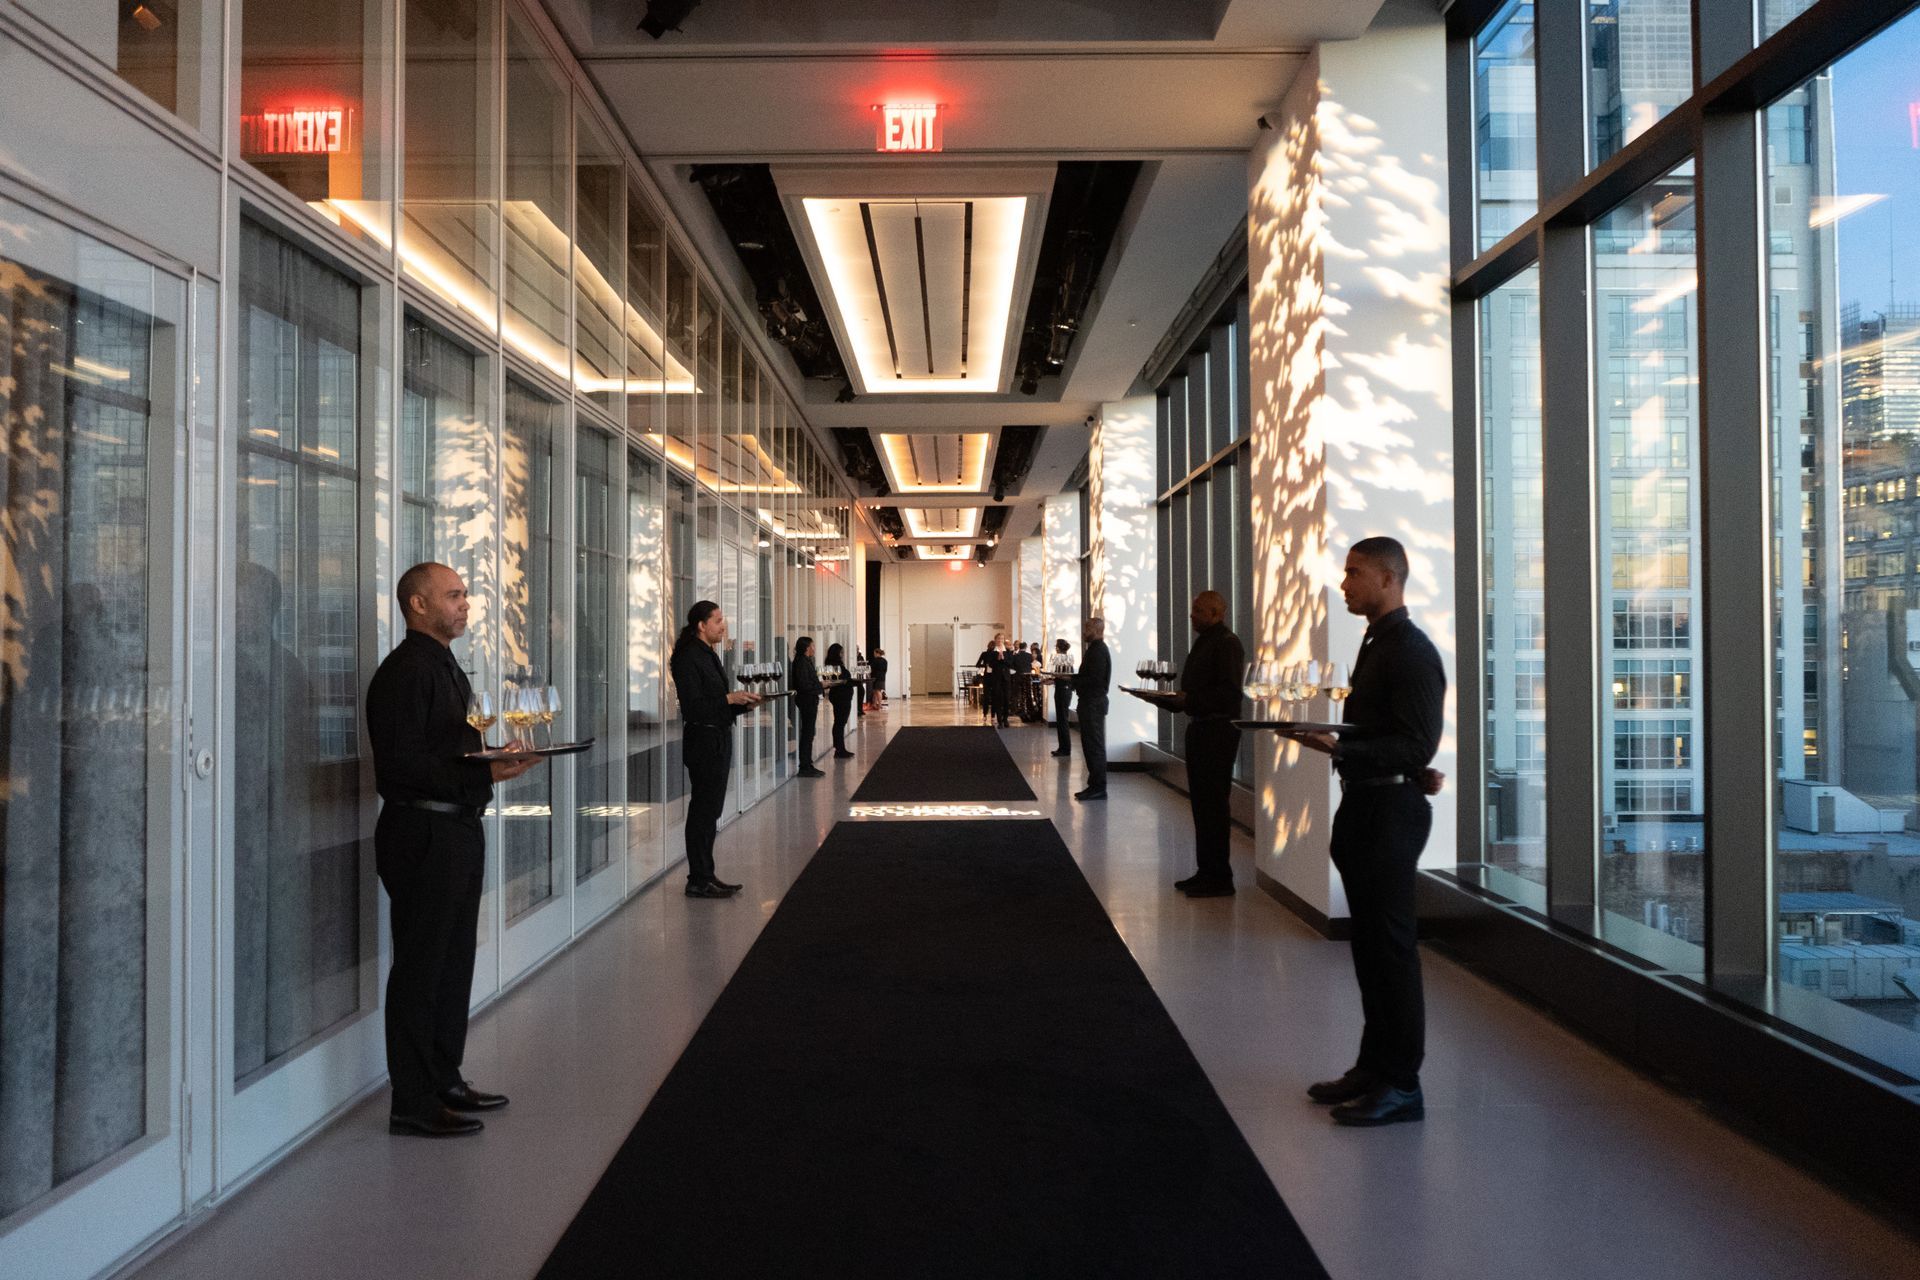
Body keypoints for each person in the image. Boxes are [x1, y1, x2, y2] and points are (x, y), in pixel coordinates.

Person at [366, 561, 540, 1138]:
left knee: (452, 959)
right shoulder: (404, 673)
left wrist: (494, 763)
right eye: (454, 595)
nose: (465, 605)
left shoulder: (445, 668)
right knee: (421, 967)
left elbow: (449, 753)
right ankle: (412, 1101)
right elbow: (402, 767)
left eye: (465, 595)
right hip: (423, 834)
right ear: (418, 605)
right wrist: (484, 771)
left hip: (455, 828)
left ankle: (444, 1077)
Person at [1284, 537, 1446, 1128]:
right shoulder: (1378, 643)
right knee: (1371, 950)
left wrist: (1338, 744)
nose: (1345, 583)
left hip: (1389, 814)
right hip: (1368, 809)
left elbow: (1415, 744)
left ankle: (1402, 1083)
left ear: (1387, 577)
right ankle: (1375, 1066)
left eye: (1354, 573)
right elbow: (1395, 736)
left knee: (1392, 952)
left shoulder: (1409, 650)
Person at [669, 600, 761, 898]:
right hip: (703, 743)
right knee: (703, 811)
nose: (724, 626)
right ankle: (698, 879)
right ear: (701, 625)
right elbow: (694, 708)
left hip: (718, 738)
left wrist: (741, 703)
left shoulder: (709, 654)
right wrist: (729, 700)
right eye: (719, 620)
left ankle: (706, 874)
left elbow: (718, 702)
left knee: (711, 811)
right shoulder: (686, 657)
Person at [1158, 591, 1245, 897]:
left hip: (1217, 733)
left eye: (1198, 610)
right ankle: (1206, 870)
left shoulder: (1227, 644)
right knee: (1202, 806)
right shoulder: (1206, 642)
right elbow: (1194, 692)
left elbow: (1231, 694)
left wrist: (1189, 700)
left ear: (1216, 613)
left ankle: (1220, 876)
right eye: (1193, 609)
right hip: (1201, 729)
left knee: (1214, 805)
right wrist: (1171, 701)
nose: (1191, 615)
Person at [1073, 620, 1112, 800]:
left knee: (1094, 746)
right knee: (1090, 745)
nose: (1084, 632)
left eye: (1087, 629)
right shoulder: (1095, 649)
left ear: (1097, 630)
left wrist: (1072, 681)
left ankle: (1098, 787)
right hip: (1090, 702)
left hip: (1093, 703)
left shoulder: (1098, 651)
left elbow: (1094, 680)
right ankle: (1094, 785)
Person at [791, 636, 824, 777]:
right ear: (806, 648)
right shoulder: (801, 663)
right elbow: (804, 685)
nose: (814, 648)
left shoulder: (805, 661)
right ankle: (805, 766)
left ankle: (807, 764)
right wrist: (820, 687)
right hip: (807, 701)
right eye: (812, 646)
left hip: (809, 700)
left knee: (809, 733)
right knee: (807, 733)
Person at [824, 641, 857, 757]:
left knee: (839, 722)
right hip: (841, 696)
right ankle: (839, 749)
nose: (843, 654)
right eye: (841, 652)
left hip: (840, 695)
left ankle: (839, 747)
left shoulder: (831, 664)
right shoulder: (834, 666)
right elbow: (834, 681)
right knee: (840, 723)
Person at [978, 633, 1010, 727]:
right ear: (995, 640)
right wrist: (997, 659)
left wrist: (1003, 659)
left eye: (1002, 638)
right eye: (998, 638)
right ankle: (999, 720)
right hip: (996, 678)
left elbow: (1010, 663)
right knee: (997, 699)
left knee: (1007, 699)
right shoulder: (992, 652)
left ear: (1004, 640)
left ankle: (1005, 719)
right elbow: (991, 664)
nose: (1000, 640)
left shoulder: (1008, 651)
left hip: (1006, 678)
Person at [1049, 638, 1074, 758]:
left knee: (1063, 720)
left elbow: (1069, 677)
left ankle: (1065, 748)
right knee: (1060, 720)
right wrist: (1052, 679)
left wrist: (1055, 676)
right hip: (1061, 690)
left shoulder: (1066, 660)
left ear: (1058, 648)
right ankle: (1062, 747)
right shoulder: (1063, 659)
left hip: (1064, 691)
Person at [1007, 639, 1037, 722]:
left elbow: (1011, 666)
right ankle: (1028, 710)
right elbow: (1033, 665)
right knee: (1027, 693)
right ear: (1026, 647)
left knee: (1015, 694)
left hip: (1017, 676)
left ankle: (1014, 710)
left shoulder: (1015, 656)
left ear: (1019, 647)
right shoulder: (1030, 656)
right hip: (1027, 677)